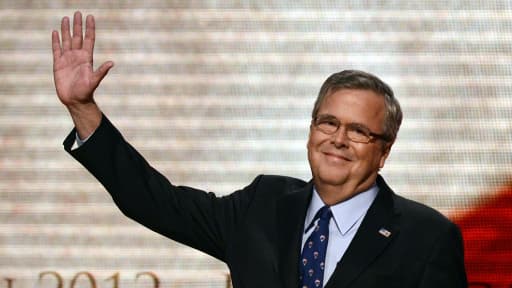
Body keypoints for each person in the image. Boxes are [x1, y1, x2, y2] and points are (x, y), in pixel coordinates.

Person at [52, 11, 468, 288]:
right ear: (311, 129)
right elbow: (154, 201)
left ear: (385, 150)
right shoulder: (263, 205)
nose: (338, 139)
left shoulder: (427, 237)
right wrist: (82, 108)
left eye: (359, 131)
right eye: (328, 122)